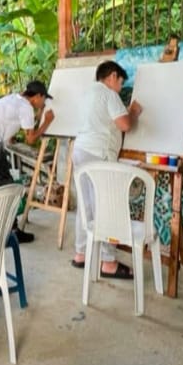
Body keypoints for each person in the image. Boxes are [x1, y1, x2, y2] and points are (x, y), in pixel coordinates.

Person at [71, 61, 142, 277]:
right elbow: (125, 125)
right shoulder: (108, 94)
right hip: (99, 154)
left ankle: (81, 254)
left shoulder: (86, 93)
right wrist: (133, 113)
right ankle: (108, 262)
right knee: (107, 206)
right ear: (112, 76)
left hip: (81, 151)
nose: (120, 88)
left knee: (86, 205)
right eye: (120, 82)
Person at [0, 79, 55, 243]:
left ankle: (8, 230)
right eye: (44, 99)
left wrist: (38, 114)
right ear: (37, 96)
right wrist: (47, 122)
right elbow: (31, 139)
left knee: (0, 186)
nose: (44, 103)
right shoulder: (26, 108)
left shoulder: (16, 99)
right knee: (2, 188)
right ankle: (4, 233)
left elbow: (13, 122)